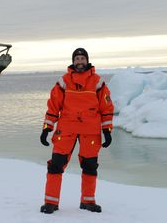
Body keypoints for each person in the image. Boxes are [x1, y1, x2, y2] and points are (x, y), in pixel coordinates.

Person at [39, 48, 114, 214]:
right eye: (77, 58)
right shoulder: (64, 81)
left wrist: (107, 131)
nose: (80, 61)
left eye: (82, 58)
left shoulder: (97, 82)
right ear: (73, 61)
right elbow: (53, 106)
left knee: (90, 166)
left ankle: (88, 201)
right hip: (66, 129)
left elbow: (106, 108)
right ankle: (50, 202)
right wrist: (47, 128)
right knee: (56, 165)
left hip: (90, 130)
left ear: (87, 61)